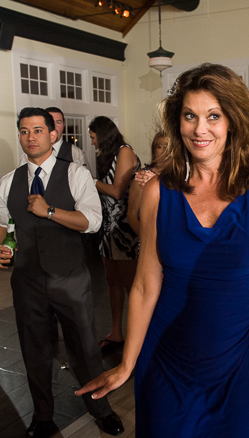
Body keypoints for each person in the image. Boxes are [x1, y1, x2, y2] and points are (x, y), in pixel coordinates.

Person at [77, 63, 249, 438]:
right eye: (190, 116)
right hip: (166, 360)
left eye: (213, 116)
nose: (199, 128)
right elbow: (144, 286)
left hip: (233, 364)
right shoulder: (159, 191)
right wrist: (127, 362)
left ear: (233, 121)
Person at [0, 108, 124, 438]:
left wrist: (50, 211)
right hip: (26, 280)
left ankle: (101, 410)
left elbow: (93, 222)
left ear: (53, 135)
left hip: (69, 278)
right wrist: (0, 245)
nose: (30, 136)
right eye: (24, 131)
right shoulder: (8, 182)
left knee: (84, 349)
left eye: (37, 130)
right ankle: (43, 415)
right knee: (34, 350)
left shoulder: (76, 174)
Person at [88, 116, 141, 351]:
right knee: (112, 282)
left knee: (131, 285)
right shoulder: (106, 154)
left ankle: (139, 335)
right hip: (107, 226)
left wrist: (91, 182)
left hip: (124, 228)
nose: (92, 142)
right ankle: (116, 331)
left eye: (93, 137)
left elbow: (118, 191)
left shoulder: (124, 152)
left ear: (103, 134)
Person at [127, 130, 168, 236]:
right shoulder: (143, 176)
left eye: (168, 147)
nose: (164, 151)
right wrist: (146, 239)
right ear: (154, 150)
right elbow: (131, 215)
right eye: (160, 147)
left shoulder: (180, 176)